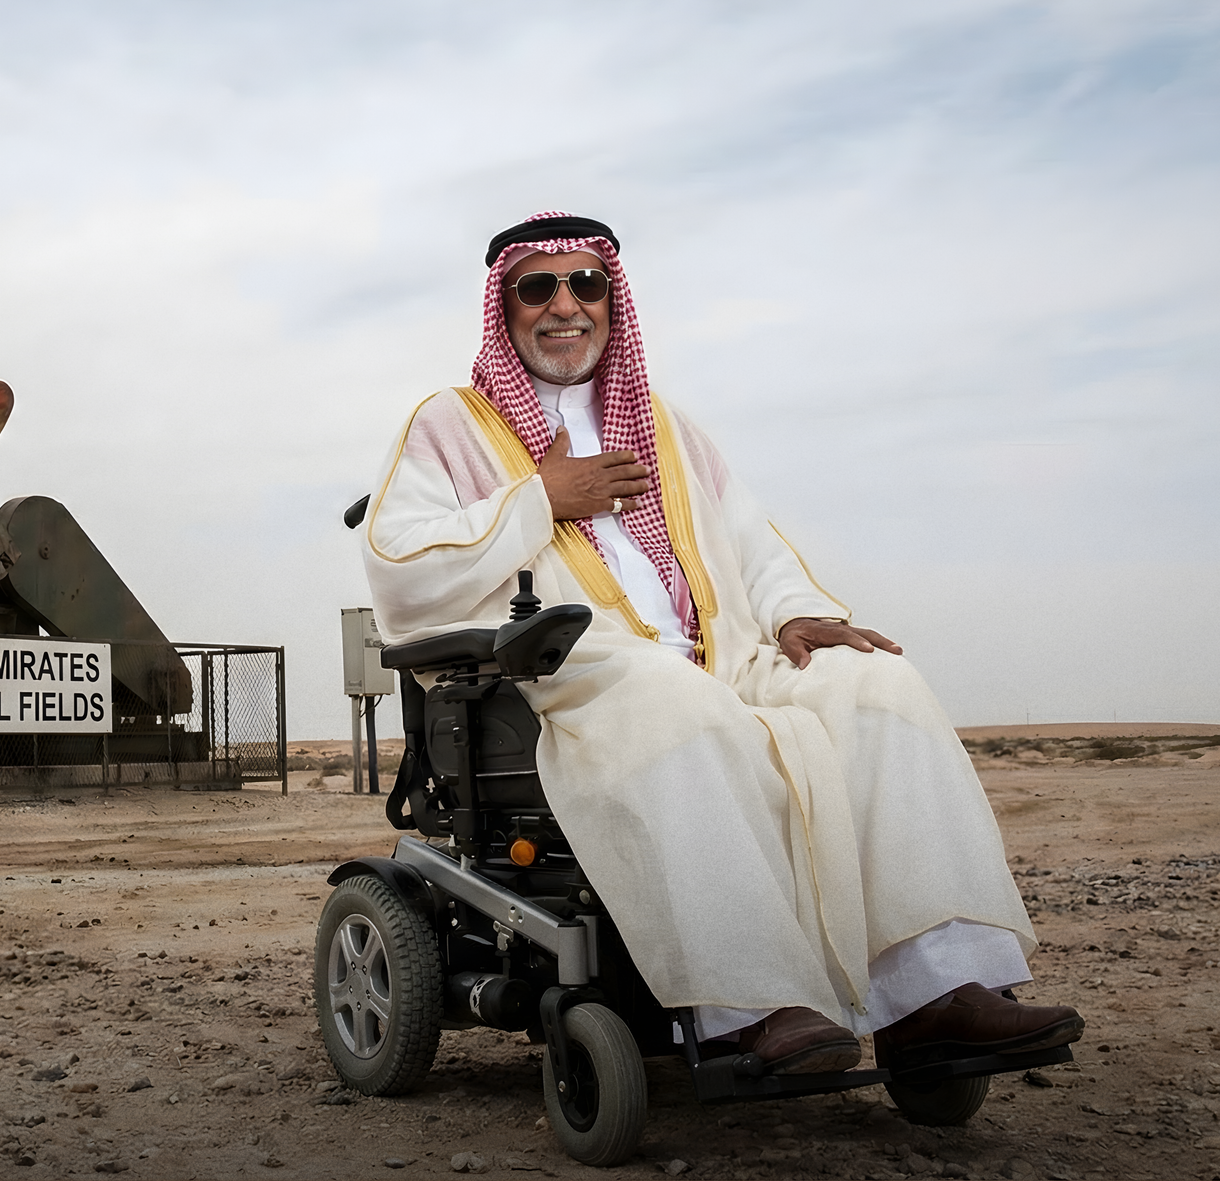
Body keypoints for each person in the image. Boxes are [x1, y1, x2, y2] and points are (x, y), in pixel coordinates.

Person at [360, 211, 1083, 1074]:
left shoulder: (667, 428)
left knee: (875, 685)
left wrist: (792, 614)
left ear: (611, 299)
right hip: (572, 676)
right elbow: (398, 569)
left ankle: (935, 993)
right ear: (505, 303)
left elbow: (749, 542)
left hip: (723, 657)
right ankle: (757, 1006)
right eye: (538, 287)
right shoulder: (450, 425)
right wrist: (538, 499)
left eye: (586, 283)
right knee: (678, 706)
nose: (565, 305)